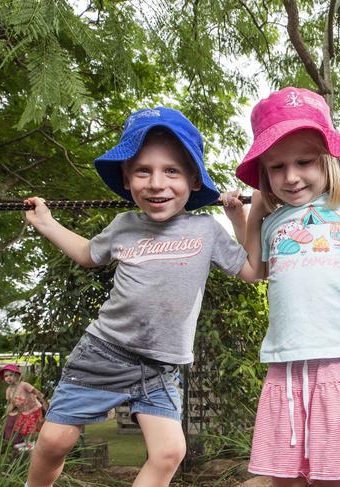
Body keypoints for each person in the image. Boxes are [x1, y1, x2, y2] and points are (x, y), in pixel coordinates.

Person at [23, 107, 258, 487]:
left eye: (171, 171)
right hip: (105, 352)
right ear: (128, 180)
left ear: (194, 180)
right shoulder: (124, 225)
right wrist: (47, 223)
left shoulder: (205, 230)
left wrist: (239, 220)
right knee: (55, 439)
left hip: (160, 367)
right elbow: (87, 256)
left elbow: (251, 271)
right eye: (143, 171)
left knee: (169, 452)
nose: (156, 183)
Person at [226, 87, 340, 486]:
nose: (290, 176)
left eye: (304, 161)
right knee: (283, 478)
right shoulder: (273, 222)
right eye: (276, 167)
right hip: (287, 365)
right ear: (264, 176)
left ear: (328, 161)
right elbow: (254, 268)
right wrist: (246, 216)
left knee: (331, 477)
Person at [0, 364, 46, 450]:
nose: (8, 377)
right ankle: (26, 443)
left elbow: (37, 392)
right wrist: (7, 412)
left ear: (17, 375)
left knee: (34, 426)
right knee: (22, 428)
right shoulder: (8, 390)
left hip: (34, 409)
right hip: (24, 412)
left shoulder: (24, 385)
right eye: (6, 376)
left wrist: (44, 402)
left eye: (11, 375)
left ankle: (38, 443)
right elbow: (12, 403)